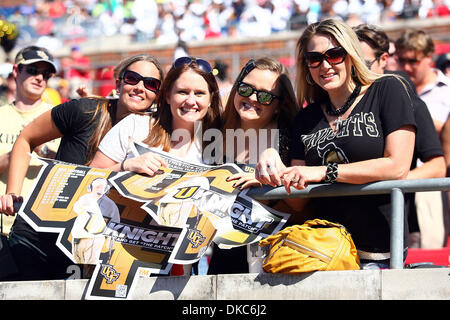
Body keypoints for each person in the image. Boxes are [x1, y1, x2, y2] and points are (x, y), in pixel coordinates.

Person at [256, 19, 416, 269]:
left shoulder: (387, 89)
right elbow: (298, 201)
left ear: (351, 55)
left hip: (378, 253)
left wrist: (323, 172)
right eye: (315, 58)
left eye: (335, 54)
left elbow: (397, 166)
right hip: (322, 252)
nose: (325, 65)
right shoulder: (306, 118)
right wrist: (273, 159)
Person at [0, 53, 164, 281]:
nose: (139, 87)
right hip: (39, 237)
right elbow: (26, 138)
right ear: (119, 83)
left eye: (150, 84)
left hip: (91, 247)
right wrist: (12, 192)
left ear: (158, 94)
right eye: (132, 78)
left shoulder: (157, 133)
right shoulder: (84, 111)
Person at [89, 56, 222, 275]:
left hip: (184, 264)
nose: (191, 100)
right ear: (167, 95)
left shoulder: (219, 142)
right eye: (182, 92)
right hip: (122, 255)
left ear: (210, 98)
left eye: (199, 93)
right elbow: (87, 179)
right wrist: (126, 166)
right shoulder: (136, 125)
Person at [353, 24, 446, 248]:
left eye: (364, 63)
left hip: (406, 210)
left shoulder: (408, 100)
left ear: (384, 59)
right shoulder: (333, 106)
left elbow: (437, 166)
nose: (357, 70)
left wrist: (390, 178)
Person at [206, 57, 300, 275]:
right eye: (246, 88)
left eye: (266, 96)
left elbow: (302, 208)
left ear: (279, 105)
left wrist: (270, 182)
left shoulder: (292, 136)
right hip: (226, 253)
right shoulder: (216, 132)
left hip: (277, 254)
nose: (253, 98)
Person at [0, 46, 60, 235]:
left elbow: (70, 168)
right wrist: (21, 148)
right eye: (33, 71)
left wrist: (43, 152)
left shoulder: (59, 118)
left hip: (40, 225)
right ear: (16, 71)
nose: (40, 78)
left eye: (46, 74)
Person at [395, 29, 450, 135]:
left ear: (429, 57)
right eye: (402, 60)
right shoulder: (394, 88)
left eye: (413, 61)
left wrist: (413, 115)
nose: (406, 67)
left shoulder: (447, 90)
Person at [71, 177, 119, 265]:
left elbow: (115, 223)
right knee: (77, 261)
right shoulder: (85, 198)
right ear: (91, 188)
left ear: (106, 189)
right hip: (78, 236)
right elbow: (77, 209)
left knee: (91, 264)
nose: (100, 189)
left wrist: (110, 237)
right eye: (97, 187)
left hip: (95, 237)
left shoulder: (110, 204)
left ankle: (90, 277)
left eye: (102, 187)